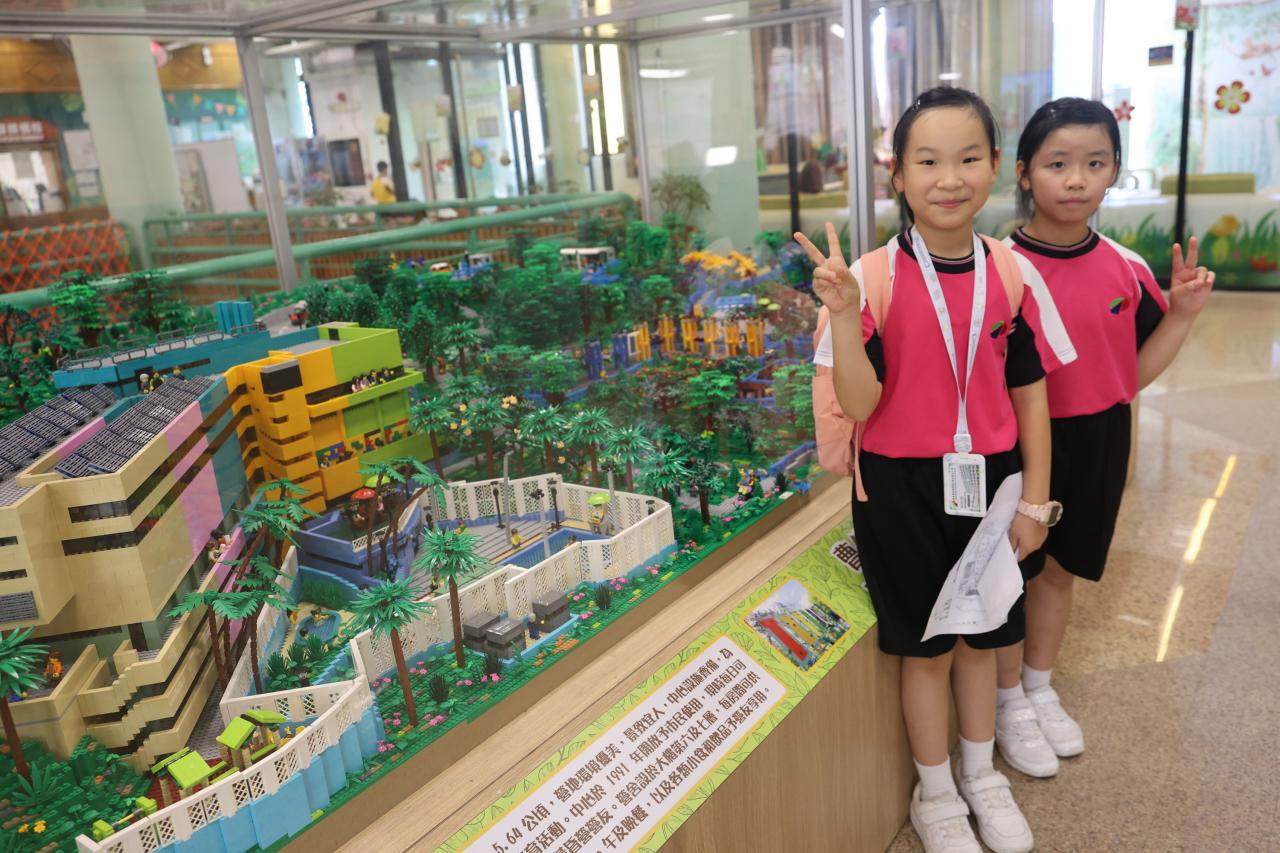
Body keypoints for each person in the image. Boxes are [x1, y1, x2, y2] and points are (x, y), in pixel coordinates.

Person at [796, 87, 1075, 853]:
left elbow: (1031, 394)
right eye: (927, 161)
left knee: (982, 639)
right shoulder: (873, 277)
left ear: (996, 167)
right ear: (897, 175)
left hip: (992, 482)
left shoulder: (1009, 273)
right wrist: (845, 315)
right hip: (898, 487)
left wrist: (1036, 502)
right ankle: (937, 791)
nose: (949, 178)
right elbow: (860, 401)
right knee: (925, 648)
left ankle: (981, 773)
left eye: (967, 158)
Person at [994, 98, 1214, 776]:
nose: (1076, 179)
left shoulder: (1125, 266)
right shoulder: (1000, 267)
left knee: (1062, 570)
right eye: (1057, 164)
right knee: (1011, 574)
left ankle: (1039, 685)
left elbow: (1130, 374)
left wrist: (1180, 317)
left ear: (1115, 170)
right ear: (1024, 173)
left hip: (1099, 438)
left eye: (1095, 163)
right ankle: (1007, 701)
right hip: (1017, 443)